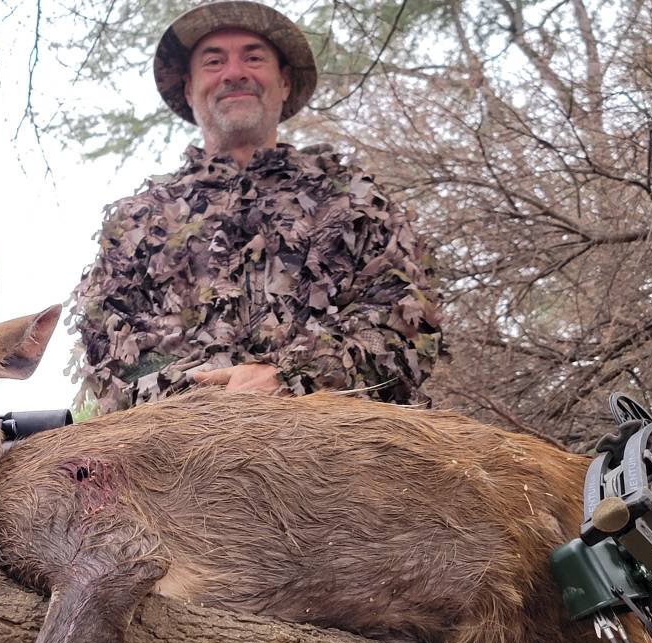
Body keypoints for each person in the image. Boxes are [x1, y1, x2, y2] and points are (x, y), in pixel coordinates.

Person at [68, 0, 443, 414]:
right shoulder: (137, 221)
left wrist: (290, 376)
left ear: (283, 82)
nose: (234, 73)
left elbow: (407, 322)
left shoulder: (354, 199)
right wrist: (210, 395)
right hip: (182, 459)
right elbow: (109, 351)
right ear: (189, 89)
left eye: (253, 57)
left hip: (342, 455)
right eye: (214, 61)